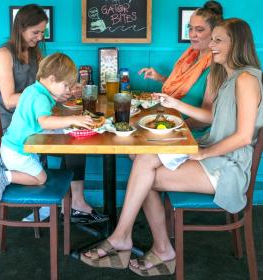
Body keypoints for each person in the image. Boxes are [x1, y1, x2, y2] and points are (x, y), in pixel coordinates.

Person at [80, 18, 263, 277]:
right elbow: (212, 118)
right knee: (144, 161)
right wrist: (175, 105)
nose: (211, 45)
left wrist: (202, 152)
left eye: (218, 40)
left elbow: (244, 136)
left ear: (238, 44)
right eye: (212, 39)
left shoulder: (246, 79)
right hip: (214, 157)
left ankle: (135, 241)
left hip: (227, 166)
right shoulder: (229, 76)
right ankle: (139, 241)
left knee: (144, 175)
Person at [0, 4, 107, 224]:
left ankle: (67, 202)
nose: (40, 37)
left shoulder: (34, 52)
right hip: (14, 125)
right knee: (73, 145)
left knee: (74, 138)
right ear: (21, 28)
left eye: (42, 32)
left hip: (32, 122)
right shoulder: (4, 54)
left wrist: (61, 93)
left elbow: (43, 88)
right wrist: (47, 99)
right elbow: (9, 99)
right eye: (36, 32)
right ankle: (71, 203)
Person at [0, 53, 94, 198]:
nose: (67, 90)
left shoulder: (33, 89)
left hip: (11, 146)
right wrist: (73, 119)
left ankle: (4, 170)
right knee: (41, 179)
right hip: (18, 152)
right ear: (52, 79)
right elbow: (44, 121)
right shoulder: (41, 98)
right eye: (65, 85)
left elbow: (37, 121)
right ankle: (5, 176)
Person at [139, 1, 223, 138]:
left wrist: (171, 128)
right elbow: (186, 87)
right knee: (135, 149)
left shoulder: (216, 66)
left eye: (199, 30)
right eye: (190, 28)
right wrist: (160, 78)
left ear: (214, 32)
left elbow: (208, 118)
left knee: (142, 152)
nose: (192, 34)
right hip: (172, 121)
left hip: (193, 133)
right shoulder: (191, 56)